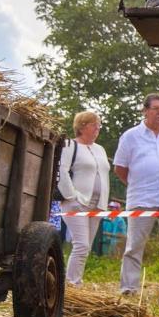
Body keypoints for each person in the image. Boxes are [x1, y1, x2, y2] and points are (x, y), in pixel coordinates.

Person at [114, 94, 159, 294]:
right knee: (134, 246)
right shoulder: (130, 136)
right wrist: (137, 184)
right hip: (141, 199)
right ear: (145, 110)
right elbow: (120, 168)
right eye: (156, 109)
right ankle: (129, 289)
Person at [57, 111, 111, 285]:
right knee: (82, 245)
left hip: (97, 204)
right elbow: (61, 170)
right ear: (82, 126)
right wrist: (71, 196)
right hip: (76, 204)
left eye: (99, 124)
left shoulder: (100, 149)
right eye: (94, 124)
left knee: (84, 246)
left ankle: (74, 281)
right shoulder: (70, 145)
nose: (98, 128)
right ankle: (73, 284)